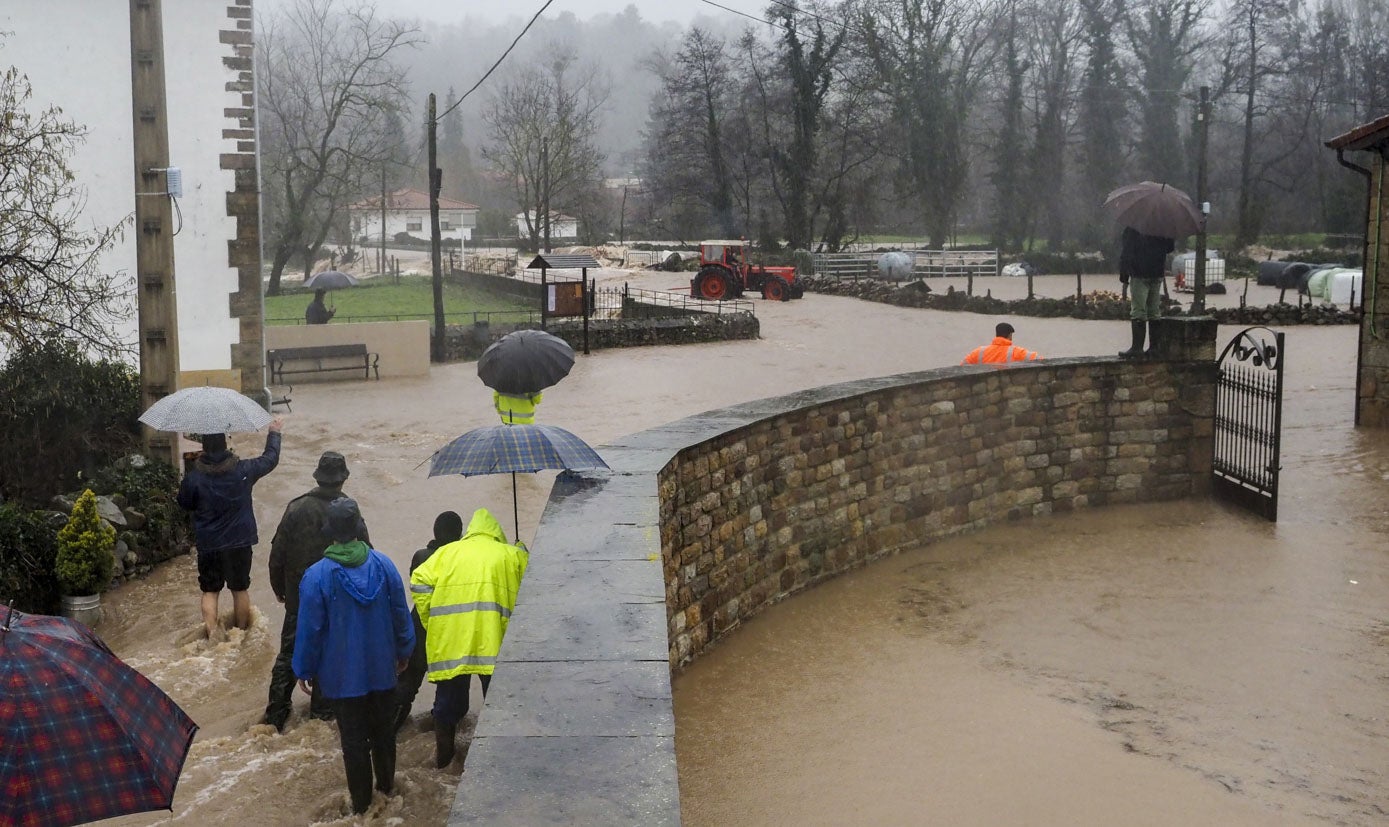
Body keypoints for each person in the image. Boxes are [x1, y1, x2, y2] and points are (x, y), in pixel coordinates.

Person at [293, 498, 413, 816]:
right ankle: (387, 790)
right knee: (384, 734)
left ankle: (362, 807)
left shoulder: (317, 576)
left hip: (342, 677)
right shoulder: (384, 565)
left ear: (330, 532)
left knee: (354, 743)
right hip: (382, 670)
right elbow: (401, 614)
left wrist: (303, 668)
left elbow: (309, 630)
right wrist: (404, 651)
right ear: (359, 527)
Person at [410, 507, 529, 768]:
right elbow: (532, 587)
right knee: (498, 704)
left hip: (453, 641)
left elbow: (418, 580)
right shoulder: (511, 555)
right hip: (494, 642)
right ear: (496, 533)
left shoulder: (446, 553)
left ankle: (444, 761)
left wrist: (433, 620)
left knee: (447, 705)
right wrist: (522, 552)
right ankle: (498, 761)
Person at [262, 451, 369, 732]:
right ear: (343, 478)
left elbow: (277, 553)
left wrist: (279, 589)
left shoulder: (296, 508)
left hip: (298, 597)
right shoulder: (349, 511)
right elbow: (365, 555)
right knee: (330, 652)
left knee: (288, 653)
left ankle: (275, 715)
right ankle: (321, 715)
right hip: (338, 599)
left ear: (317, 477)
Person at [176, 420, 283, 640]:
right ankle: (241, 636)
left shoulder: (194, 478)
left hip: (209, 544)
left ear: (203, 447)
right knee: (240, 588)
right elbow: (270, 459)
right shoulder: (244, 470)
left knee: (210, 590)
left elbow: (184, 503)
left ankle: (213, 635)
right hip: (239, 541)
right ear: (225, 445)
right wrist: (274, 433)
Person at [393, 510, 464, 733]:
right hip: (449, 632)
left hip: (419, 629)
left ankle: (391, 728)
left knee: (407, 685)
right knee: (448, 689)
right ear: (459, 535)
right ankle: (438, 732)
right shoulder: (461, 560)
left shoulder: (421, 556)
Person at [1118, 225, 1176, 358]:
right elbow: (1170, 247)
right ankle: (1154, 348)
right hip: (1157, 271)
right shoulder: (1162, 226)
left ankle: (1137, 348)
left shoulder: (1134, 226)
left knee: (1138, 310)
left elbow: (1127, 251)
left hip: (1139, 272)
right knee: (1154, 311)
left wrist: (1124, 273)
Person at [960, 322, 1041, 365]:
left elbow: (963, 365)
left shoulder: (980, 351)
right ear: (1009, 335)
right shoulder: (1016, 352)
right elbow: (1039, 359)